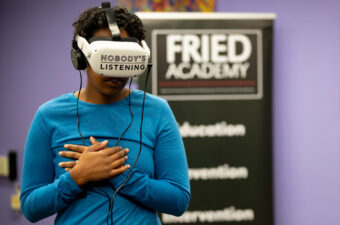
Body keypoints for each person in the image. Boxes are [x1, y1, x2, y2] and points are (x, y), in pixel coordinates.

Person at [20, 5, 190, 225]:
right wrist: (78, 177)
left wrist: (119, 174)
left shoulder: (157, 111)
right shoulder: (49, 116)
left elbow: (178, 200)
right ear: (82, 57)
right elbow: (31, 207)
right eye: (107, 58)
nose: (115, 71)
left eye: (124, 59)